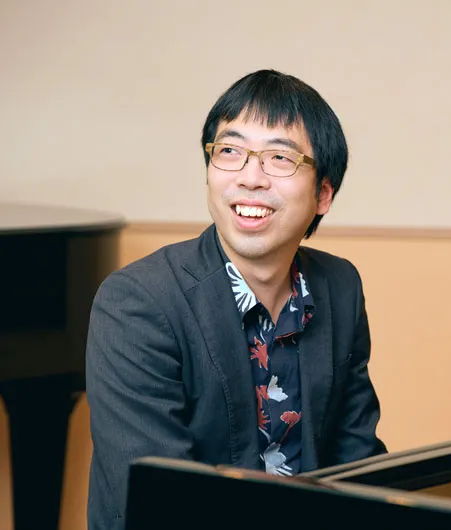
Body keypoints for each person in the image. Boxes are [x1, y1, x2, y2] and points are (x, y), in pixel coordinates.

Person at [84, 69, 387, 529]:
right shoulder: (138, 304)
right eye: (230, 151)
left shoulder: (339, 287)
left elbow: (358, 465)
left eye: (280, 158)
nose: (250, 178)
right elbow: (160, 504)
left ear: (323, 194)